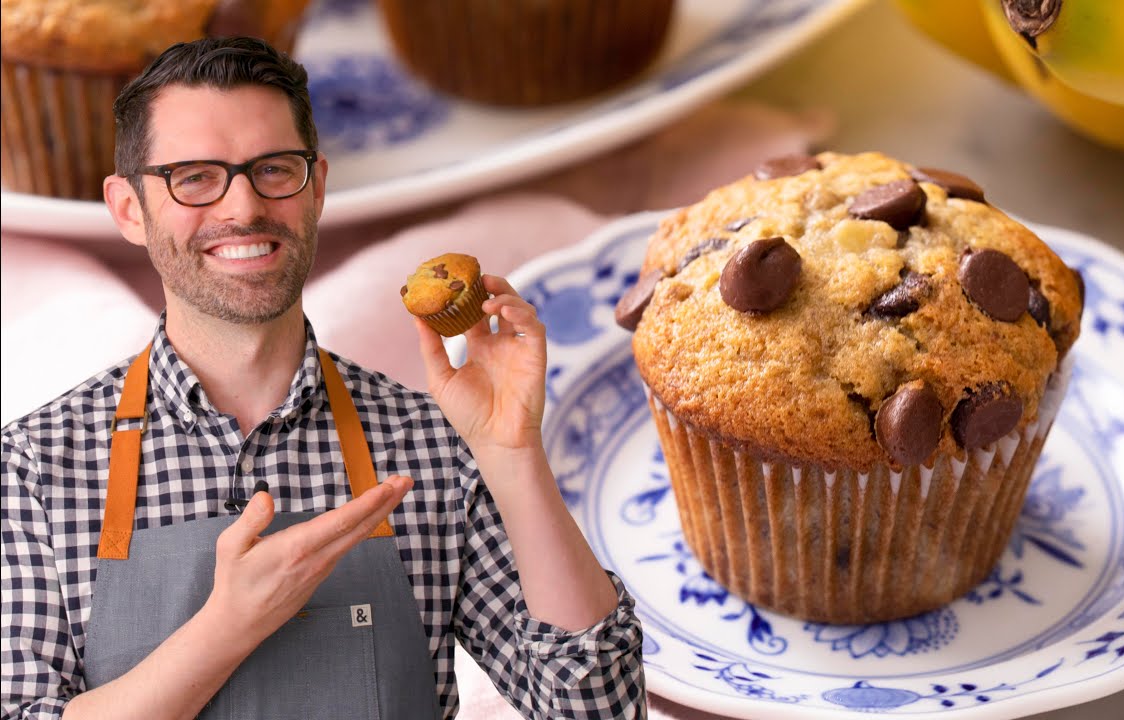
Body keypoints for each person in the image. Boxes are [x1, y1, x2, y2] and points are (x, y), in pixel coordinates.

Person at [1, 37, 645, 719]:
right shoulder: (37, 469)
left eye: (275, 169)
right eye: (194, 176)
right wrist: (227, 627)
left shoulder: (430, 444)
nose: (242, 208)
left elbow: (596, 709)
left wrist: (513, 455)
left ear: (317, 188)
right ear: (129, 208)